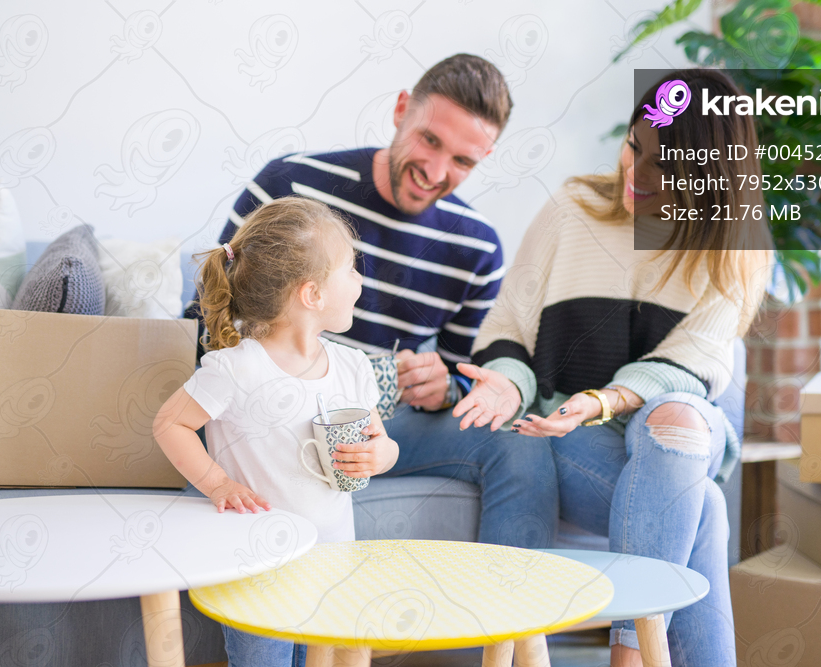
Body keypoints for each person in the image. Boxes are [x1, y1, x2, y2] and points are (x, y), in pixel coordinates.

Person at [449, 69, 773, 666]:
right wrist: (511, 385)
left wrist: (603, 400)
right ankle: (634, 656)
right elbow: (507, 325)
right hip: (575, 443)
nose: (635, 173)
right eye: (633, 147)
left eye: (663, 166)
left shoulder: (734, 252)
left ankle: (627, 655)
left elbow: (692, 364)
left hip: (663, 438)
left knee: (675, 420)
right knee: (702, 508)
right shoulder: (572, 210)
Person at [187, 53, 559, 548]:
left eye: (462, 161)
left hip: (378, 417)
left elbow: (460, 372)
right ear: (402, 109)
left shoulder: (477, 248)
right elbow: (208, 317)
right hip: (268, 405)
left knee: (519, 445)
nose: (435, 171)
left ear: (484, 157)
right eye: (430, 140)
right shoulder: (290, 185)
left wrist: (444, 387)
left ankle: (513, 601)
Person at [155, 197, 399, 667]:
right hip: (255, 566)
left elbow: (381, 440)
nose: (361, 280)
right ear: (312, 295)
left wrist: (382, 454)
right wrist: (218, 484)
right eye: (351, 269)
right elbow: (170, 423)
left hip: (333, 561)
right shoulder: (237, 368)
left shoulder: (352, 366)